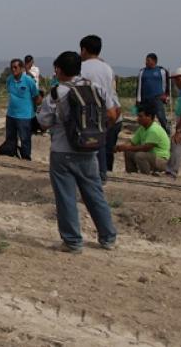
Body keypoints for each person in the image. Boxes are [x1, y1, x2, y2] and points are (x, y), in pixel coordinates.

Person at [38, 51, 118, 253]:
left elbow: (44, 122)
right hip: (90, 150)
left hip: (62, 151)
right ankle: (107, 237)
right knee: (94, 193)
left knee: (66, 197)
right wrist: (97, 133)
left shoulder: (56, 94)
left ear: (59, 69)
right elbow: (111, 113)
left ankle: (73, 241)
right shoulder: (96, 88)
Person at [79, 35, 122, 182]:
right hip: (104, 109)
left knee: (85, 143)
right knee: (100, 143)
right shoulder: (107, 68)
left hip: (86, 110)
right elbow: (110, 92)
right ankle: (102, 174)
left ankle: (86, 175)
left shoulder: (81, 67)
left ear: (84, 50)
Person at [114, 103, 170, 175]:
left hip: (162, 160)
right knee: (128, 152)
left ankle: (145, 176)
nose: (138, 119)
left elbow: (145, 148)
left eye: (140, 116)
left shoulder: (154, 130)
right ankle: (132, 174)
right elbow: (132, 143)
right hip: (151, 157)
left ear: (149, 116)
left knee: (140, 155)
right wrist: (121, 147)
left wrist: (126, 147)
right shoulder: (142, 128)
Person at [4, 58, 41, 160]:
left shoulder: (29, 81)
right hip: (11, 115)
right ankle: (11, 158)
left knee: (25, 139)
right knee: (10, 138)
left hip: (25, 116)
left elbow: (36, 97)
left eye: (15, 67)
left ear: (21, 68)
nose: (13, 69)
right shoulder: (9, 80)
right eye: (11, 67)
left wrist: (33, 111)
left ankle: (26, 159)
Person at [137, 53, 171, 133]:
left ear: (154, 61)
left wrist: (166, 96)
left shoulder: (162, 71)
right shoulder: (142, 71)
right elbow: (139, 86)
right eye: (146, 60)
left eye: (148, 60)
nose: (146, 62)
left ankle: (167, 132)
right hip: (145, 98)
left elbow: (167, 84)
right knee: (145, 117)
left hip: (157, 98)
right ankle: (147, 133)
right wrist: (138, 99)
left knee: (161, 116)